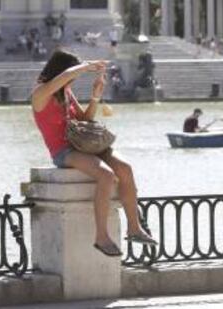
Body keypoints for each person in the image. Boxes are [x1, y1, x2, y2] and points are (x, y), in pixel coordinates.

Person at [31, 50, 157, 257]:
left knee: (125, 169)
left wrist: (95, 95)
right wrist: (84, 66)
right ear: (62, 71)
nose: (74, 80)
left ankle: (134, 228)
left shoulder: (66, 92)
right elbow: (62, 77)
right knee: (106, 176)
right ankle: (101, 236)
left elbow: (85, 119)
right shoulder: (41, 93)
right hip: (64, 151)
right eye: (73, 75)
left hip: (84, 145)